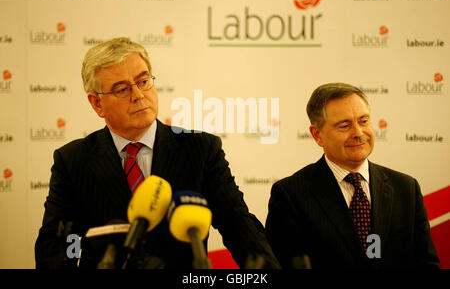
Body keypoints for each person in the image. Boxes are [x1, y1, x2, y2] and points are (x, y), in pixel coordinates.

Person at [35, 37, 280, 269]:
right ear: (97, 103)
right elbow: (61, 242)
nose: (139, 95)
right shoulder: (73, 160)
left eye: (143, 81)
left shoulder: (200, 149)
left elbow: (238, 225)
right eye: (122, 89)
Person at [266, 83, 440, 269]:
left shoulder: (406, 188)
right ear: (318, 135)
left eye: (364, 121)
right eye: (345, 125)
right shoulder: (291, 195)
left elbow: (426, 264)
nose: (358, 133)